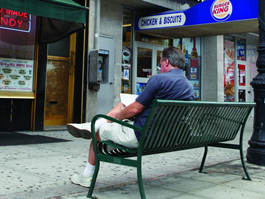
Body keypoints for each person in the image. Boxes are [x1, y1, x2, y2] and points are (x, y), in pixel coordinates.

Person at [66, 46, 194, 188]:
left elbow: (135, 109)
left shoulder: (159, 80)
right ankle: (96, 124)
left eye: (160, 63)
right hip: (165, 137)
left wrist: (117, 118)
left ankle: (86, 175)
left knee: (97, 134)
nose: (160, 67)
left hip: (140, 136)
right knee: (123, 105)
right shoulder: (189, 87)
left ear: (166, 62)